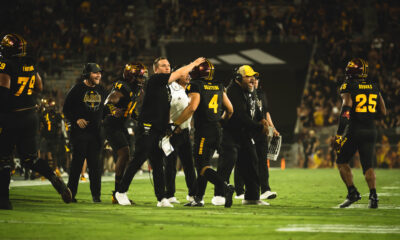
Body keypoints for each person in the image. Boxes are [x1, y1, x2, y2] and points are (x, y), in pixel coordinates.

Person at [115, 57, 206, 207]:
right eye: (164, 66)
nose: (167, 68)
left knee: (157, 164)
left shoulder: (165, 86)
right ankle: (121, 191)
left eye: (169, 65)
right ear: (156, 69)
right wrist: (193, 64)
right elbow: (177, 74)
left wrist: (168, 126)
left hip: (158, 129)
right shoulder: (155, 80)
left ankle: (161, 198)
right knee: (139, 158)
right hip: (147, 126)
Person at [0, 34, 72, 210]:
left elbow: (3, 91)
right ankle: (56, 180)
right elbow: (39, 86)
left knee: (3, 159)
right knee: (30, 159)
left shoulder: (6, 65)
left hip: (12, 116)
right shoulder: (30, 64)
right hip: (30, 116)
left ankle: (3, 200)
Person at [173, 59, 235, 208]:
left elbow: (193, 107)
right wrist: (219, 122)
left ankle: (225, 187)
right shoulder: (219, 85)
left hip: (204, 131)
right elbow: (230, 109)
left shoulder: (196, 85)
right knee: (204, 165)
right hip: (216, 130)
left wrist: (176, 123)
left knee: (201, 166)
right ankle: (198, 198)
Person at [333, 58, 386, 209]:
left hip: (355, 130)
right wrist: (368, 116)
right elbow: (383, 111)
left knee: (341, 161)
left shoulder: (348, 85)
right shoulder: (374, 86)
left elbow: (345, 112)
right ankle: (373, 196)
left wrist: (338, 134)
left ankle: (352, 192)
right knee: (368, 165)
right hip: (371, 130)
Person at [213, 65, 270, 206]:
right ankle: (218, 195)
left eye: (254, 76)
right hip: (230, 134)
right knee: (227, 162)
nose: (252, 79)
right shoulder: (232, 91)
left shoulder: (250, 91)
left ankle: (251, 197)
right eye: (249, 76)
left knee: (251, 163)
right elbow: (240, 115)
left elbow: (254, 109)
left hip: (244, 134)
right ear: (238, 78)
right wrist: (259, 127)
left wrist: (260, 118)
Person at [103, 62, 147, 204]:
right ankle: (117, 193)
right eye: (139, 77)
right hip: (111, 124)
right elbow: (109, 101)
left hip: (121, 125)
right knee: (124, 153)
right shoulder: (123, 86)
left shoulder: (136, 90)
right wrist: (112, 109)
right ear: (131, 76)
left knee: (127, 156)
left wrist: (139, 119)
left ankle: (119, 192)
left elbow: (131, 109)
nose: (142, 80)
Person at [63, 63, 106, 203]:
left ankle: (96, 196)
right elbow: (66, 109)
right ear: (87, 74)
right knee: (76, 165)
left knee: (95, 166)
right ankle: (71, 194)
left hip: (95, 134)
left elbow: (105, 110)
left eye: (99, 72)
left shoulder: (101, 89)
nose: (98, 75)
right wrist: (76, 119)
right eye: (95, 73)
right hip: (80, 134)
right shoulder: (77, 89)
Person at [234, 75, 279, 200]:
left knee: (263, 162)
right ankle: (239, 190)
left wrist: (272, 128)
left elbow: (266, 112)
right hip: (249, 131)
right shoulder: (244, 93)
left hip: (261, 132)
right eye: (253, 79)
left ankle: (265, 189)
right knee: (244, 161)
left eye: (257, 79)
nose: (255, 81)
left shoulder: (261, 94)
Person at [164, 66, 197, 204]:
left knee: (189, 164)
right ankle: (170, 194)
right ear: (177, 76)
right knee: (170, 165)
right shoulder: (170, 88)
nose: (189, 76)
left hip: (184, 131)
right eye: (185, 74)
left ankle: (192, 194)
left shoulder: (188, 89)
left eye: (189, 74)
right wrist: (170, 126)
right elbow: (165, 107)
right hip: (172, 133)